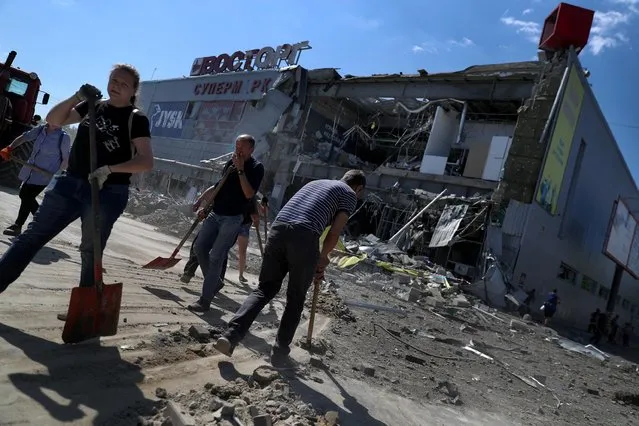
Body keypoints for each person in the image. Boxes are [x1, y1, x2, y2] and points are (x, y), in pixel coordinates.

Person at [0, 64, 154, 306]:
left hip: (107, 192)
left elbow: (145, 161)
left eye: (123, 84)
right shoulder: (92, 106)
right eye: (113, 80)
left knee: (90, 251)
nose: (116, 86)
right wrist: (77, 97)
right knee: (31, 237)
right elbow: (53, 120)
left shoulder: (136, 118)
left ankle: (86, 309)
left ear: (133, 91)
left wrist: (110, 169)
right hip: (70, 184)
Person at [213, 170, 366, 363]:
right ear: (358, 188)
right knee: (295, 297)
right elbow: (334, 233)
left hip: (278, 230)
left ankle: (229, 336)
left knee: (264, 289)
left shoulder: (316, 182)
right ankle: (280, 352)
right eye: (360, 192)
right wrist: (322, 257)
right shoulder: (349, 194)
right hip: (304, 236)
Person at [188, 135, 264, 312]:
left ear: (251, 149)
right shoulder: (230, 163)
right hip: (216, 213)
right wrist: (203, 204)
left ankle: (204, 300)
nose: (238, 150)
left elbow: (248, 194)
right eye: (236, 145)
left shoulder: (255, 167)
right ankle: (215, 283)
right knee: (199, 248)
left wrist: (240, 170)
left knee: (216, 256)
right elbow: (219, 186)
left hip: (234, 218)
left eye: (242, 147)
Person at [0, 122, 71, 236]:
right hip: (30, 171)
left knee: (25, 195)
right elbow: (23, 137)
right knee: (26, 197)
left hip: (45, 175)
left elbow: (65, 159)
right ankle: (22, 225)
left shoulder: (63, 137)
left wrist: (57, 176)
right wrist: (10, 148)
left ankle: (34, 223)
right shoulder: (40, 130)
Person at [180, 197, 259, 284]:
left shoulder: (247, 192)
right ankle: (210, 278)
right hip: (221, 221)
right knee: (208, 249)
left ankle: (213, 279)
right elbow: (213, 191)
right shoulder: (228, 185)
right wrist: (201, 203)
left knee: (210, 249)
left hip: (227, 224)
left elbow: (254, 215)